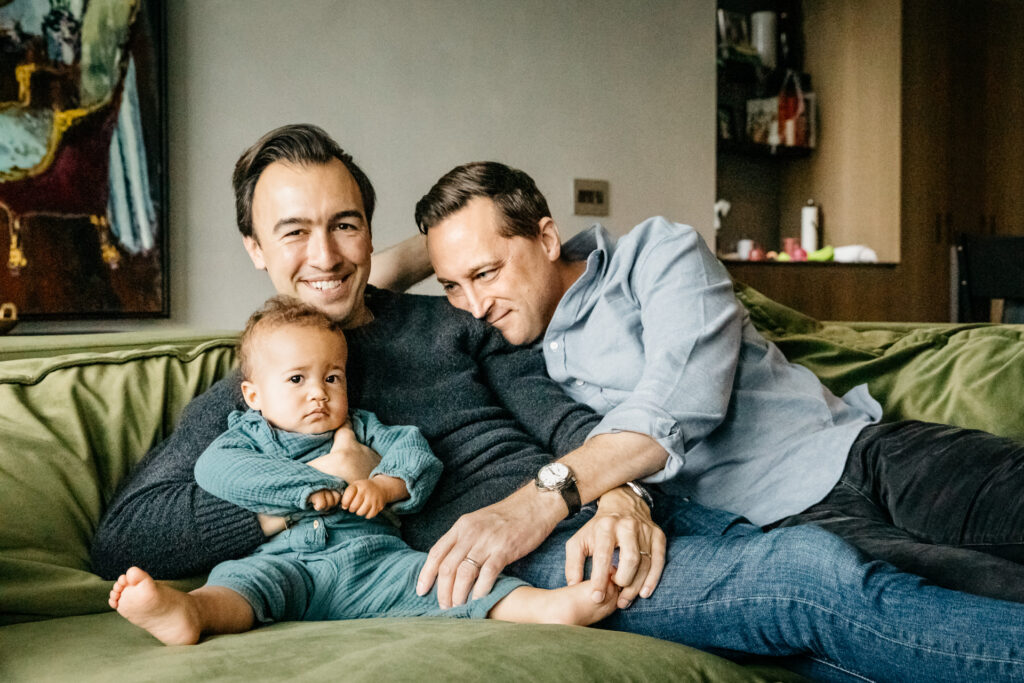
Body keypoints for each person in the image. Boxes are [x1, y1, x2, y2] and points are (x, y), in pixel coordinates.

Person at [90, 124, 1024, 682]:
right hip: (522, 563)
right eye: (292, 232)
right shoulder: (252, 390)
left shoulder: (447, 322)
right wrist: (315, 487)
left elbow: (560, 409)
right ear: (255, 248)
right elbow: (130, 532)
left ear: (371, 233)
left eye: (344, 226)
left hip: (616, 505)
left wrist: (608, 487)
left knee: (839, 567)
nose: (325, 253)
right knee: (810, 578)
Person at [416, 160, 1024, 604]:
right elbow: (364, 285)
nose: (472, 303)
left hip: (865, 451)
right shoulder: (509, 361)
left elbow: (683, 397)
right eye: (450, 284)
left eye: (486, 271)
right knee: (988, 599)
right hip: (785, 526)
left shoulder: (655, 253)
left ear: (547, 238)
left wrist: (540, 501)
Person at [109, 296, 617, 645]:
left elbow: (415, 453)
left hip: (371, 559)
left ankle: (545, 608)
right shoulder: (243, 435)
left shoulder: (363, 426)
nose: (318, 392)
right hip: (281, 561)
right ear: (253, 395)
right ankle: (187, 614)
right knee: (235, 587)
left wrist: (383, 484)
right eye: (296, 379)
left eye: (332, 377)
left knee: (443, 584)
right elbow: (221, 472)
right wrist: (313, 486)